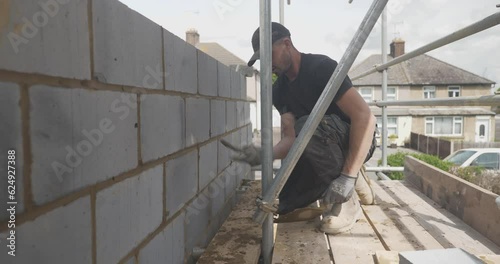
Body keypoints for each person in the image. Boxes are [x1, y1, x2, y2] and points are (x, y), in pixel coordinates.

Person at [232, 22, 377, 234]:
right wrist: (265, 154)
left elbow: (365, 118)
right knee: (284, 202)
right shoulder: (279, 90)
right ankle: (353, 176)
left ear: (286, 44)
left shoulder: (322, 68)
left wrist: (346, 178)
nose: (268, 65)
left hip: (359, 138)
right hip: (322, 144)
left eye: (269, 55)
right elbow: (291, 139)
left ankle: (348, 199)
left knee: (308, 126)